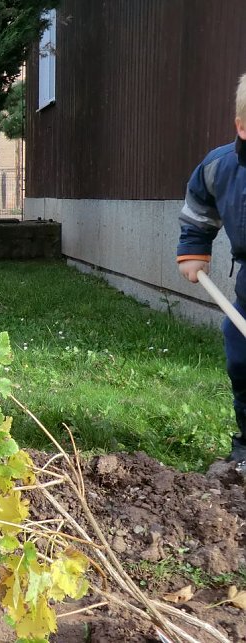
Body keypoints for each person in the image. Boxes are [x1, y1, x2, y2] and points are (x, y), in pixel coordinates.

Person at [177, 72, 246, 468]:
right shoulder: (222, 167)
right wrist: (194, 249)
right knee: (243, 364)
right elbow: (200, 206)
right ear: (242, 126)